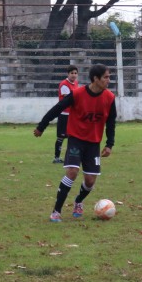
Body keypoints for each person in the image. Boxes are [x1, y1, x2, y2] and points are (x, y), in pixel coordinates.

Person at [33, 63, 116, 222]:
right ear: (95, 79)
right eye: (106, 77)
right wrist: (41, 126)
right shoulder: (77, 94)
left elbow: (111, 122)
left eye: (109, 77)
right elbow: (57, 108)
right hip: (76, 139)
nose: (109, 80)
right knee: (72, 171)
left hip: (93, 143)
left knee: (90, 180)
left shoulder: (109, 98)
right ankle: (56, 211)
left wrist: (109, 144)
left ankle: (78, 201)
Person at [53, 65, 79, 163]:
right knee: (61, 136)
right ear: (68, 74)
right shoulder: (64, 84)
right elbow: (68, 99)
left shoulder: (76, 83)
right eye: (72, 73)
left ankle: (70, 158)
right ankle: (56, 158)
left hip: (72, 114)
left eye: (75, 73)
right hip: (64, 114)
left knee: (72, 136)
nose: (74, 75)